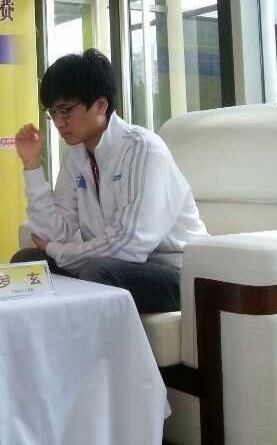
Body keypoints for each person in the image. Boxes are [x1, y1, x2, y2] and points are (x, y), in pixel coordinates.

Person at [11, 48, 208, 313]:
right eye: (53, 112)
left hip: (174, 273)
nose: (58, 122)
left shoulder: (144, 150)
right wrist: (32, 165)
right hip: (111, 265)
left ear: (101, 106)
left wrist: (60, 251)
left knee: (97, 273)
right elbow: (52, 234)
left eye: (65, 110)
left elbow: (129, 245)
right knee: (27, 263)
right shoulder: (76, 156)